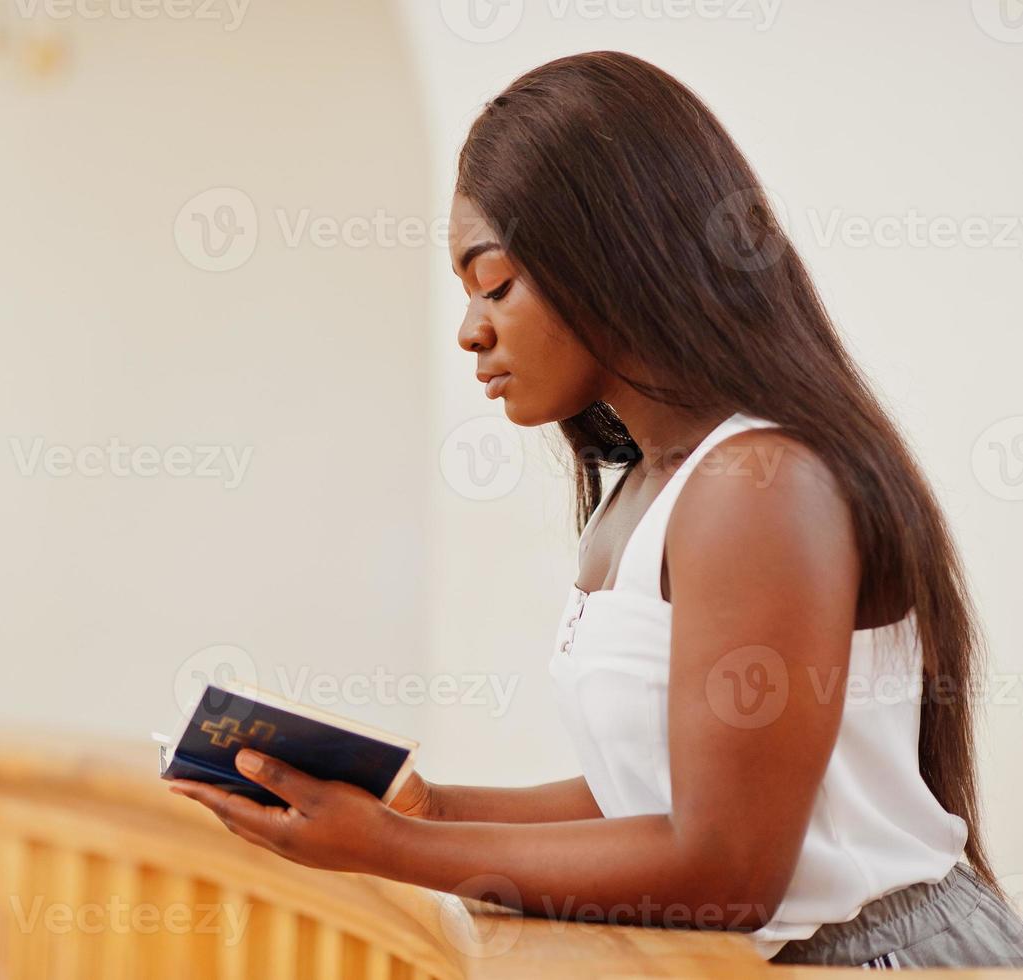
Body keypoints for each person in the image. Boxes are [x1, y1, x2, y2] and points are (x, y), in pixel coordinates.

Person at [169, 51, 1023, 967]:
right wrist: (429, 809)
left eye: (493, 283)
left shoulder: (756, 487)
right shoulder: (649, 489)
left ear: (612, 254)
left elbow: (728, 866)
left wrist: (389, 848)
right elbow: (654, 791)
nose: (470, 330)